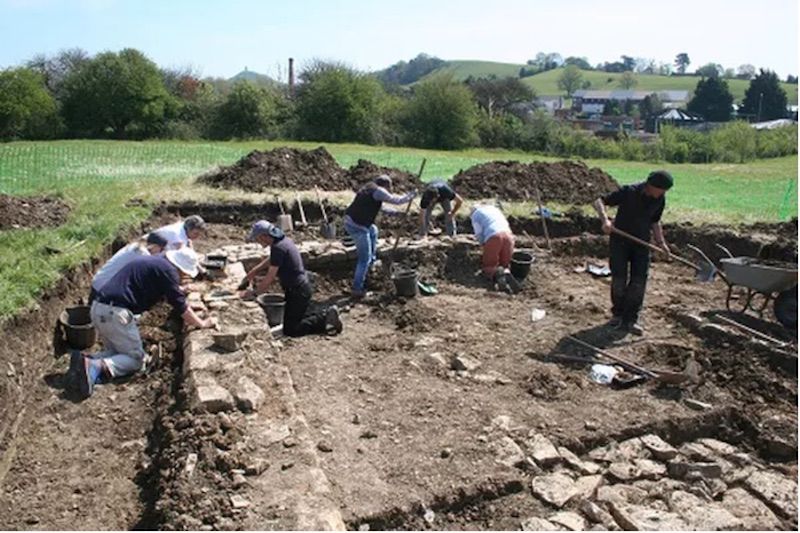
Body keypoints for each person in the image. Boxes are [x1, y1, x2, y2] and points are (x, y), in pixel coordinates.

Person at [70, 247, 216, 399]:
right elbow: (180, 307)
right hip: (115, 313)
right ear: (179, 267)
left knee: (119, 354)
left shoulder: (156, 262)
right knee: (135, 360)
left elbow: (169, 291)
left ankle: (85, 361)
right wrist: (202, 323)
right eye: (184, 273)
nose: (183, 276)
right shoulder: (168, 272)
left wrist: (181, 295)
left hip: (99, 308)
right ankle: (95, 366)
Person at [593, 170, 673, 336]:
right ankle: (618, 315)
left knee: (638, 281)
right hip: (619, 242)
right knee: (619, 279)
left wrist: (661, 243)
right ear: (651, 186)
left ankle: (631, 319)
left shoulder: (660, 199)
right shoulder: (629, 192)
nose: (663, 194)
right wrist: (605, 220)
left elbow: (655, 221)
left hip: (641, 244)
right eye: (661, 190)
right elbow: (599, 201)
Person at [240, 221, 343, 337]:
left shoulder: (278, 247)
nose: (257, 242)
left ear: (264, 236)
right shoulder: (281, 242)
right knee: (294, 317)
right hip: (298, 287)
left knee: (291, 330)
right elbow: (272, 259)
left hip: (298, 290)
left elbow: (270, 277)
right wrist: (254, 271)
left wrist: (254, 294)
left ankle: (325, 318)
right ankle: (325, 312)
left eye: (257, 239)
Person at [343, 175, 416, 298]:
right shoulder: (379, 191)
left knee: (373, 230)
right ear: (386, 185)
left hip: (356, 221)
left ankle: (371, 264)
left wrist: (398, 213)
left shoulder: (370, 188)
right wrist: (411, 195)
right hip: (357, 226)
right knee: (363, 259)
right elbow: (397, 201)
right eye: (390, 187)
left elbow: (382, 208)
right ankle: (357, 289)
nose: (390, 189)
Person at [89, 231, 169, 302]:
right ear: (154, 246)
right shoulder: (143, 255)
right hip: (105, 289)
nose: (159, 253)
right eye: (161, 250)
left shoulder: (134, 246)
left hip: (98, 281)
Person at [470, 204, 520, 293]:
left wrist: (483, 245)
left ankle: (497, 274)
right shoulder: (494, 209)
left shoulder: (475, 215)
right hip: (509, 236)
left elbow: (478, 233)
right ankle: (506, 274)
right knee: (504, 265)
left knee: (488, 266)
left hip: (494, 236)